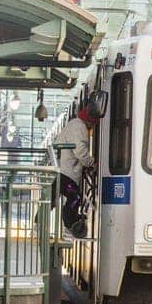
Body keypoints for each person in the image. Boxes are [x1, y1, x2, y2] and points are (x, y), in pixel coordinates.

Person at [55, 99, 101, 239]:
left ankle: (38, 223)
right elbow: (79, 150)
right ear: (90, 121)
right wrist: (91, 163)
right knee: (74, 197)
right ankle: (69, 226)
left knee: (52, 196)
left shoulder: (75, 125)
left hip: (62, 169)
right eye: (93, 124)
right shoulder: (79, 127)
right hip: (66, 172)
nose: (93, 127)